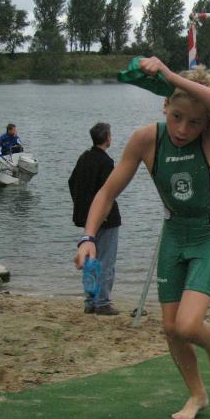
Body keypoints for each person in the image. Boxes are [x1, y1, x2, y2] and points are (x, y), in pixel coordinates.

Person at [74, 57, 210, 419]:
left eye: (194, 121)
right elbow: (107, 192)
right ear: (165, 105)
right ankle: (197, 395)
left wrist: (170, 75)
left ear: (207, 122)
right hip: (174, 235)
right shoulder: (146, 139)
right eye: (176, 116)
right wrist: (88, 236)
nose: (182, 128)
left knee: (188, 325)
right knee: (170, 328)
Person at [68, 122, 121, 316]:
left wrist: (81, 206)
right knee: (105, 260)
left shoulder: (84, 157)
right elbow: (109, 191)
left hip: (87, 216)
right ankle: (102, 302)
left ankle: (90, 301)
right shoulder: (106, 162)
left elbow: (72, 182)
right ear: (107, 138)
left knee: (91, 260)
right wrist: (103, 214)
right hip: (106, 218)